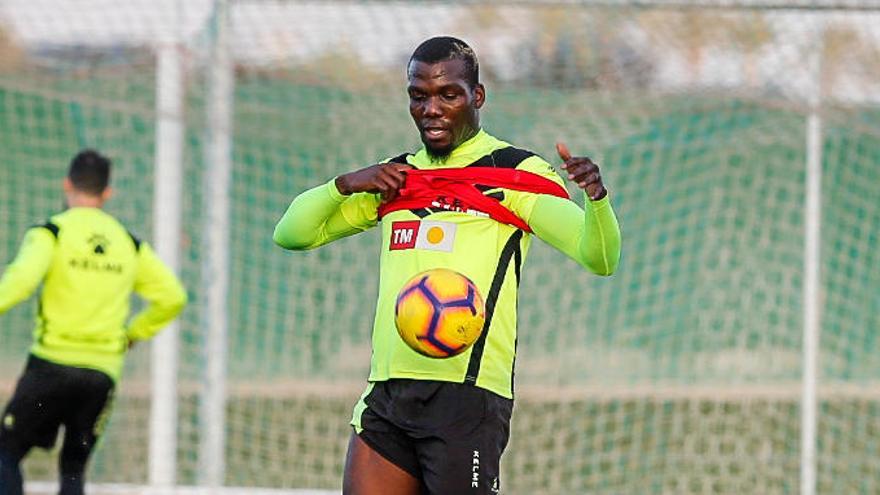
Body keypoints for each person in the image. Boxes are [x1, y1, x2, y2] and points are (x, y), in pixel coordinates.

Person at [273, 36, 621, 495]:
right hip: (390, 392)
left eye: (447, 94)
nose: (431, 108)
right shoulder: (395, 179)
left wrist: (596, 200)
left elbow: (599, 258)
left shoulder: (516, 174)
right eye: (419, 96)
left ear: (476, 97)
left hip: (467, 398)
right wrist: (345, 184)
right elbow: (292, 233)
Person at [0, 150, 187, 495]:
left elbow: (20, 282)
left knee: (6, 453)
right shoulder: (128, 243)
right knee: (73, 468)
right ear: (106, 193)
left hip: (51, 365)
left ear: (67, 184)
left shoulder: (52, 233)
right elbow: (173, 297)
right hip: (101, 374)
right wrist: (133, 334)